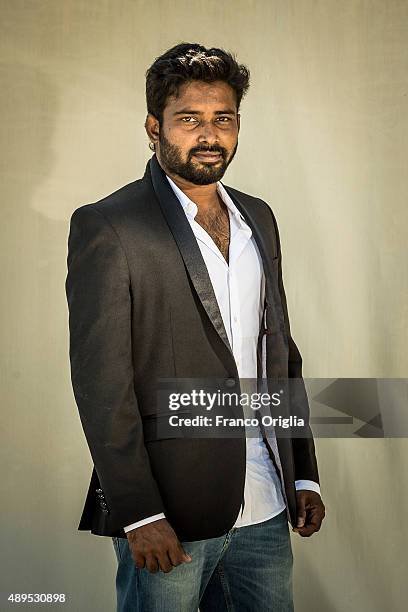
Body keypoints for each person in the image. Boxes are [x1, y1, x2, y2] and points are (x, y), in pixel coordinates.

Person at [65, 42, 325, 612]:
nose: (209, 134)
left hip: (267, 503)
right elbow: (102, 384)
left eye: (223, 119)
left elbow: (280, 353)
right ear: (154, 127)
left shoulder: (259, 217)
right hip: (170, 513)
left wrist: (303, 473)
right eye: (189, 119)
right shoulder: (109, 225)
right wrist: (139, 512)